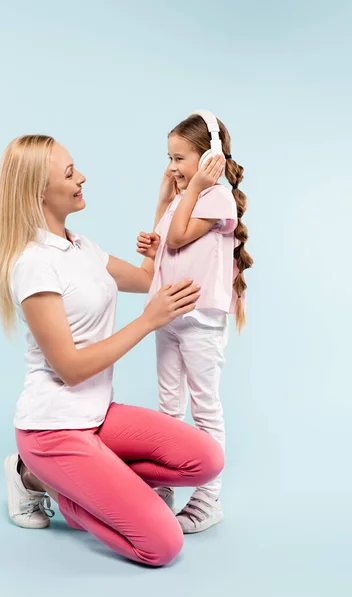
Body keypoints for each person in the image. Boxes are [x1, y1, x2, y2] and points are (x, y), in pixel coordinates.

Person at [0, 134, 224, 567]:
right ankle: (43, 482)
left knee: (207, 460)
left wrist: (162, 207)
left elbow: (143, 278)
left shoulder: (81, 247)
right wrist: (149, 321)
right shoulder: (35, 264)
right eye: (69, 172)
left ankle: (85, 483)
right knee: (163, 544)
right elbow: (71, 369)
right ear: (39, 191)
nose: (82, 177)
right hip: (52, 430)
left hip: (96, 415)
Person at [136, 110, 253, 534]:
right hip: (168, 313)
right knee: (168, 407)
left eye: (180, 158)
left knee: (205, 408)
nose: (171, 167)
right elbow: (166, 244)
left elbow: (183, 236)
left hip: (200, 320)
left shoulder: (215, 197)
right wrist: (159, 211)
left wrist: (194, 188)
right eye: (168, 157)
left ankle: (208, 498)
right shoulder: (183, 198)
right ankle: (165, 486)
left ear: (209, 160)